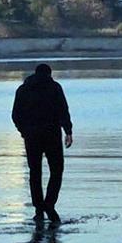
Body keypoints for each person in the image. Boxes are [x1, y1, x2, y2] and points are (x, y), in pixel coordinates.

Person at [11, 63, 73, 224]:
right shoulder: (54, 88)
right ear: (49, 74)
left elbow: (16, 115)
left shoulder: (23, 89)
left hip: (31, 136)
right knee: (56, 170)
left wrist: (23, 131)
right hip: (52, 135)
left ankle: (39, 209)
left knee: (35, 172)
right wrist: (68, 131)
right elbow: (63, 110)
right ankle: (49, 205)